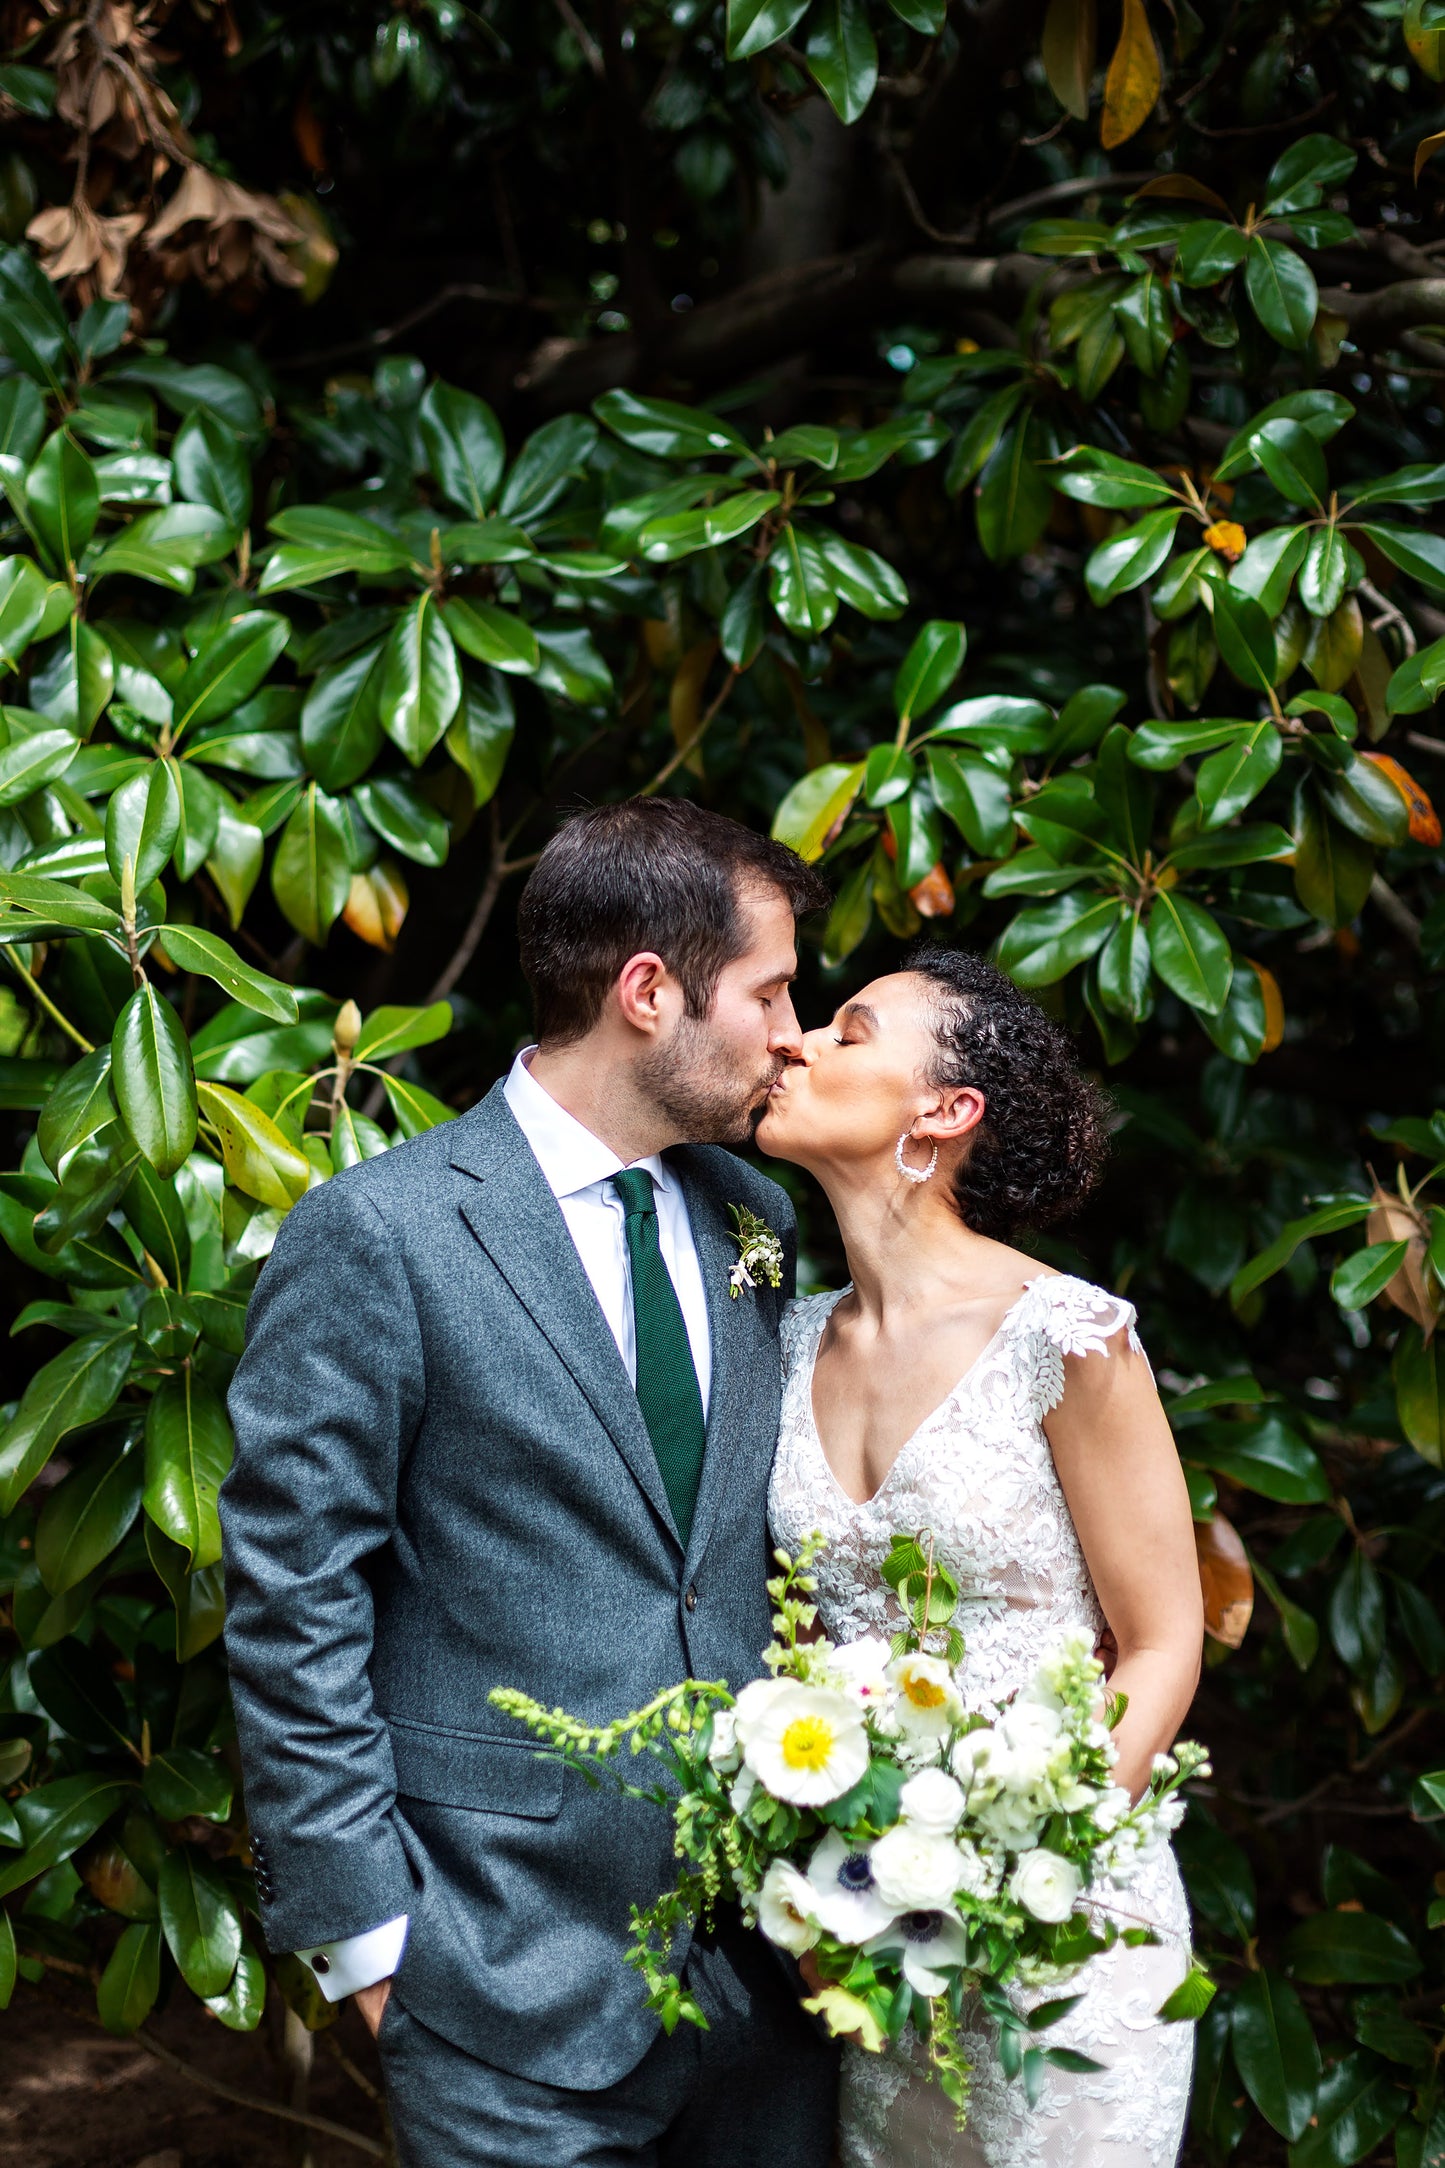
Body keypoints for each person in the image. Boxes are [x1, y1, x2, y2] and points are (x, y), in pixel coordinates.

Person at [219, 798, 839, 2168]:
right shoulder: (380, 1234)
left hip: (771, 1985)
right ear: (646, 993)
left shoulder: (758, 1215)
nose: (795, 1032)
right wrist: (371, 1944)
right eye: (772, 990)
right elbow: (289, 1603)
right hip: (499, 1982)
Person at [759, 946, 1203, 2168]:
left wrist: (1007, 1875)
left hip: (1060, 1927)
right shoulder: (784, 1341)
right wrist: (834, 1889)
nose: (793, 1042)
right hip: (874, 1936)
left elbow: (1163, 1640)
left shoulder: (1064, 1338)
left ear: (943, 1112)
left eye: (849, 1031)